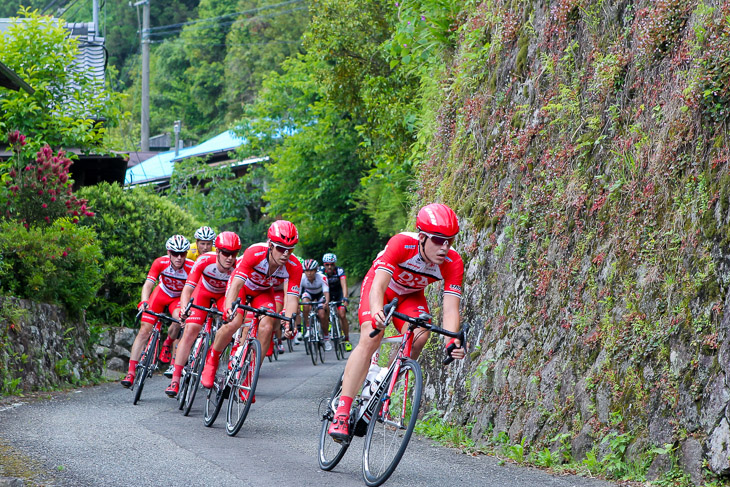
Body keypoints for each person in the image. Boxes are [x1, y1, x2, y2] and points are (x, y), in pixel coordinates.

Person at [328, 204, 467, 441]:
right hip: (383, 290)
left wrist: (451, 341)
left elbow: (450, 309)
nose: (444, 247)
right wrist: (376, 311)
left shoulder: (453, 263)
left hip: (410, 296)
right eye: (437, 240)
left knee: (421, 335)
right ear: (422, 237)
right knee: (371, 334)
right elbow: (379, 284)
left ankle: (382, 380)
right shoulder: (402, 244)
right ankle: (342, 410)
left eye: (450, 241)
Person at [200, 220, 303, 390]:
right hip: (243, 287)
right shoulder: (255, 252)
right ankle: (212, 358)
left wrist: (289, 324)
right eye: (280, 248)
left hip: (262, 292)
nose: (285, 254)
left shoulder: (294, 266)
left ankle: (249, 378)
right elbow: (236, 285)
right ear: (270, 245)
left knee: (268, 325)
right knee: (234, 322)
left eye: (290, 249)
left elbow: (291, 299)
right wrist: (228, 308)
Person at [164, 231, 241, 397]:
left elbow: (237, 296)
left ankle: (218, 361)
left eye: (234, 254)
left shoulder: (238, 267)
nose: (230, 258)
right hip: (203, 292)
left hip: (223, 297)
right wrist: (184, 309)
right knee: (191, 330)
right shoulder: (204, 260)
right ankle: (175, 380)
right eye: (226, 253)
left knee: (231, 323)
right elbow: (188, 289)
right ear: (218, 251)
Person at [121, 235, 193, 388]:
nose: (179, 257)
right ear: (169, 252)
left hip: (178, 298)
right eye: (175, 253)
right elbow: (148, 283)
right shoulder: (160, 262)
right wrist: (145, 301)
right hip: (162, 294)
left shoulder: (191, 267)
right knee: (144, 331)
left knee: (180, 320)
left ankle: (168, 342)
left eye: (183, 254)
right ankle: (131, 372)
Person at [320, 253, 352, 351]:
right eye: (327, 264)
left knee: (342, 315)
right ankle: (328, 323)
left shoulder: (339, 271)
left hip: (338, 295)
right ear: (324, 265)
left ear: (334, 264)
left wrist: (345, 298)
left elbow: (344, 285)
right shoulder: (321, 271)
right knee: (325, 308)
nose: (329, 267)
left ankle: (346, 340)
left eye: (332, 264)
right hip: (326, 294)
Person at [300, 259, 331, 350]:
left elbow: (326, 292)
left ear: (315, 270)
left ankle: (326, 338)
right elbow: (297, 294)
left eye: (311, 271)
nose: (309, 273)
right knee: (305, 304)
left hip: (320, 295)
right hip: (308, 294)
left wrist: (326, 303)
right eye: (306, 271)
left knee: (322, 315)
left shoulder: (322, 277)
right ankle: (308, 328)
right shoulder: (301, 278)